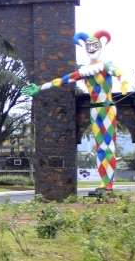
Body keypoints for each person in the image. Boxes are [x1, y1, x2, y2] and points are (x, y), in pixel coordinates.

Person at [22, 30, 128, 190]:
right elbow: (61, 81)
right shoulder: (83, 71)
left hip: (107, 108)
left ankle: (109, 184)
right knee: (100, 147)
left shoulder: (106, 66)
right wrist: (39, 88)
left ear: (101, 46)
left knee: (108, 147)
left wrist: (125, 83)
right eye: (89, 46)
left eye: (95, 45)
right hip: (95, 110)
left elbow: (119, 73)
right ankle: (104, 182)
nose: (92, 48)